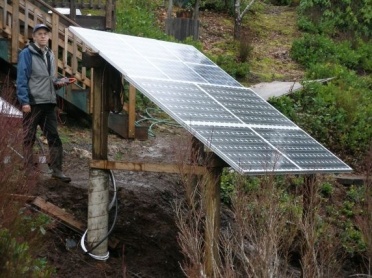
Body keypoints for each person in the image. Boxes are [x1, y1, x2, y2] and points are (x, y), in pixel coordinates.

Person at [16, 23, 71, 183]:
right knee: (29, 138)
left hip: (48, 103)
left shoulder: (50, 55)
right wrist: (24, 101)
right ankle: (28, 170)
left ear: (48, 37)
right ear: (34, 37)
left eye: (45, 34)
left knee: (54, 137)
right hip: (32, 104)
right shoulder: (27, 54)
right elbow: (21, 79)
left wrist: (59, 82)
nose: (42, 36)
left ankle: (57, 170)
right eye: (39, 33)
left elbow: (51, 79)